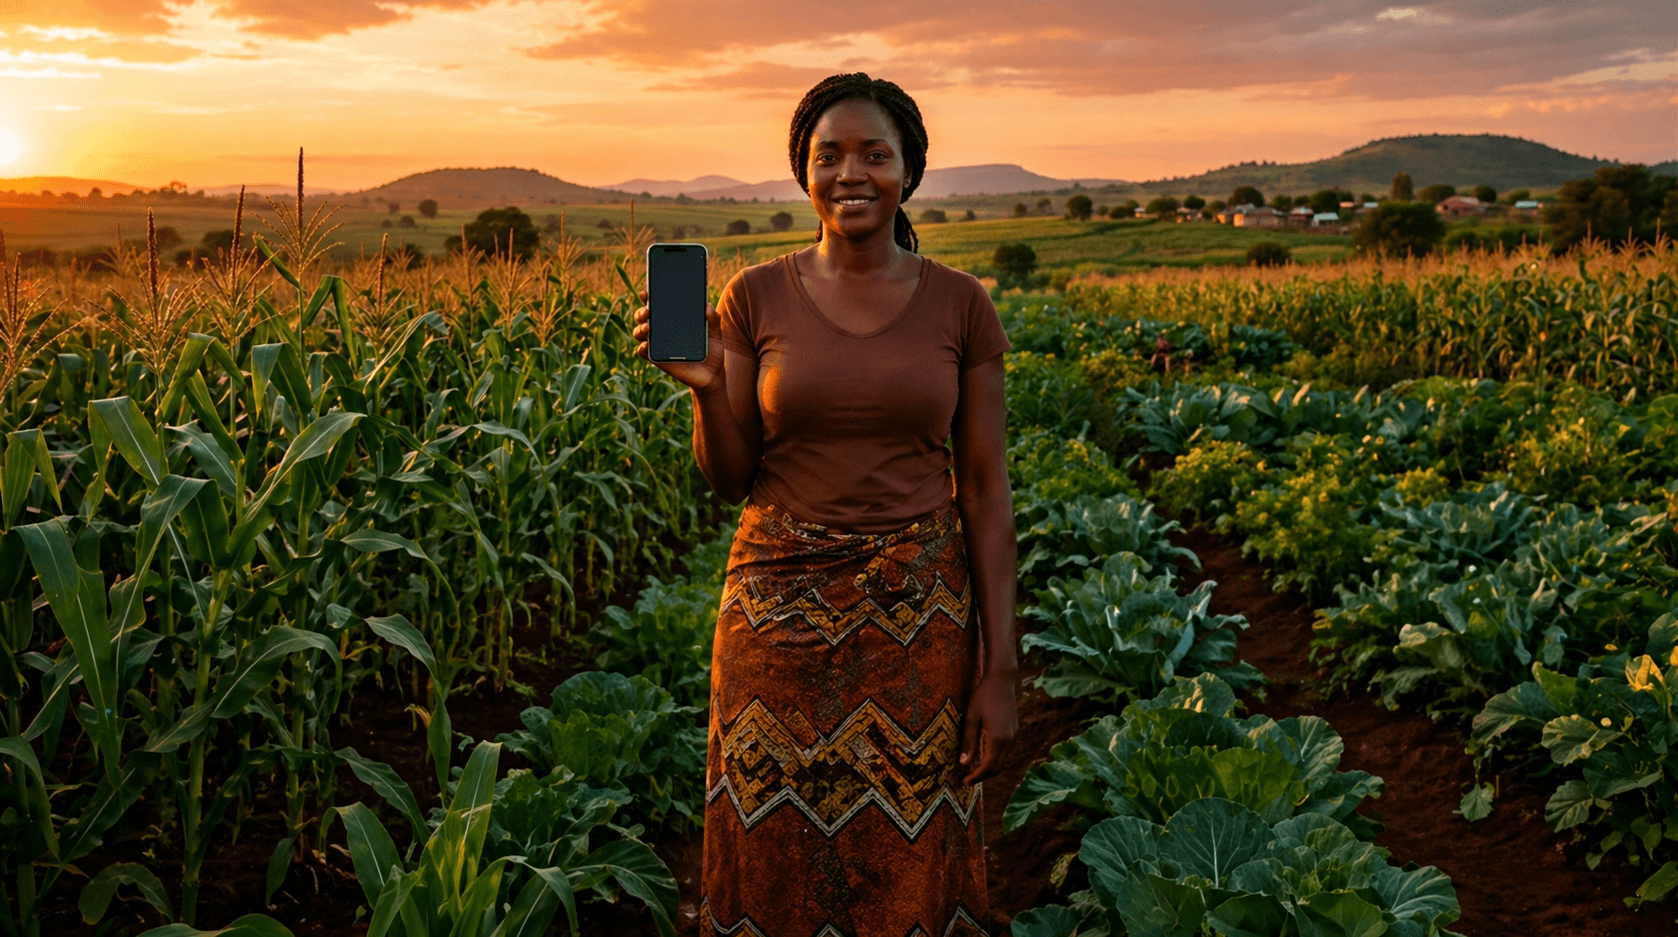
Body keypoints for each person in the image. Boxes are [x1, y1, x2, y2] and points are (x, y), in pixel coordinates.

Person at [633, 72, 1018, 937]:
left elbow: (987, 491)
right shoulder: (753, 296)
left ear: (909, 171)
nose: (852, 173)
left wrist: (1000, 666)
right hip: (776, 622)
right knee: (770, 850)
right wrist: (702, 390)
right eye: (829, 155)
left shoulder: (963, 304)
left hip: (921, 623)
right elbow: (732, 476)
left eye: (874, 154)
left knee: (910, 855)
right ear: (803, 173)